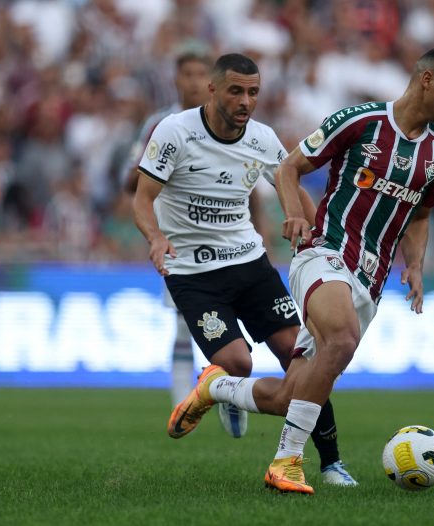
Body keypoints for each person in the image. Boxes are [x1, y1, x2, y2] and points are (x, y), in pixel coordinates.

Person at [167, 47, 434, 495]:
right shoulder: (360, 122)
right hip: (323, 253)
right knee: (342, 337)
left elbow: (420, 215)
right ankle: (287, 462)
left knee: (290, 395)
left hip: (370, 280)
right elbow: (290, 166)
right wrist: (295, 215)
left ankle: (217, 389)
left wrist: (417, 265)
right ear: (428, 80)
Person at [133, 53, 357, 486]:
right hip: (193, 275)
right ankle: (221, 390)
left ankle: (331, 462)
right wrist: (156, 238)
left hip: (249, 264)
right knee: (237, 362)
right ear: (213, 90)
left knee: (305, 358)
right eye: (236, 90)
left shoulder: (262, 138)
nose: (246, 101)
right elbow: (142, 199)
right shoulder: (175, 132)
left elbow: (289, 181)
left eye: (253, 92)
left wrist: (319, 238)